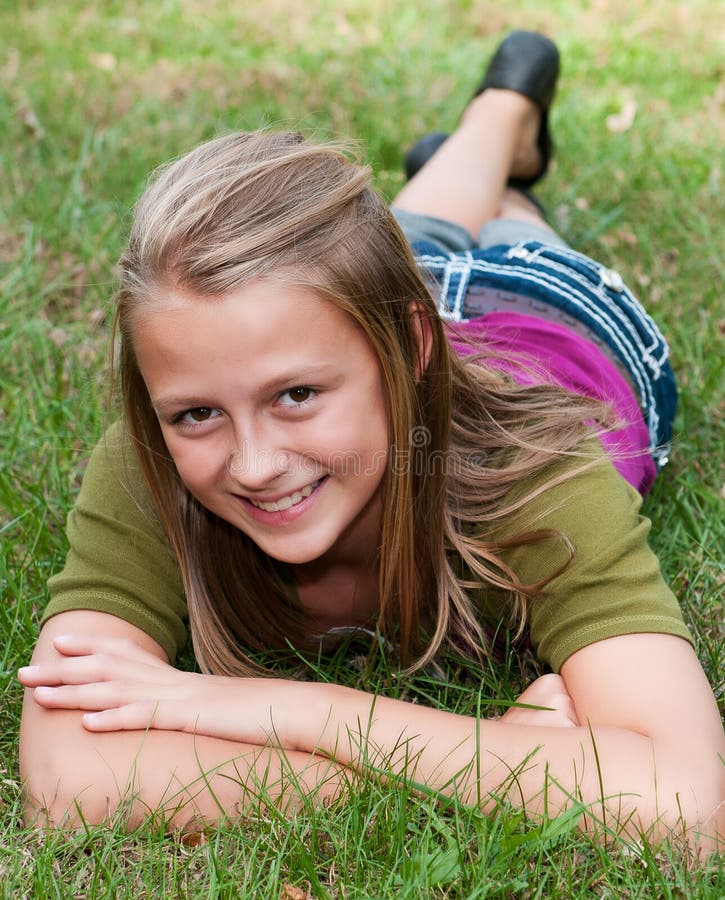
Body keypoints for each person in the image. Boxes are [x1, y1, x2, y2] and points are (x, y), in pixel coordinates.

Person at [18, 31, 724, 850]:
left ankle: (504, 130)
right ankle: (496, 130)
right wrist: (502, 757)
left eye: (296, 396)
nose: (251, 464)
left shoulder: (539, 473)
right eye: (197, 414)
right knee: (394, 249)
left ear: (410, 350)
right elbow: (69, 782)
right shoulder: (155, 458)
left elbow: (690, 807)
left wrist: (279, 710)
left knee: (495, 247)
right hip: (370, 314)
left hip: (551, 329)